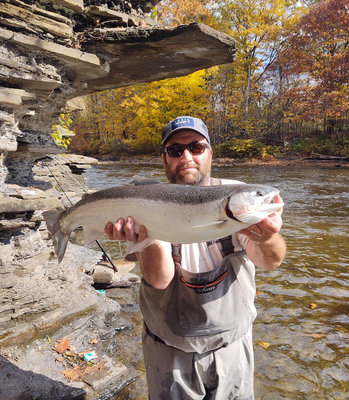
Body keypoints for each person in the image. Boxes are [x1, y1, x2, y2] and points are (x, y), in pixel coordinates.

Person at [105, 116, 286, 400]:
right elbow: (159, 279)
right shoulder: (141, 202)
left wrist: (266, 237)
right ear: (164, 160)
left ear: (210, 154)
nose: (186, 157)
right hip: (168, 352)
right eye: (176, 151)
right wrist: (148, 241)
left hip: (233, 347)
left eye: (196, 147)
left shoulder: (237, 196)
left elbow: (271, 261)